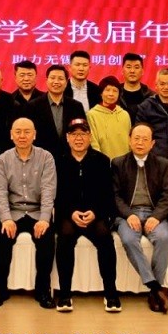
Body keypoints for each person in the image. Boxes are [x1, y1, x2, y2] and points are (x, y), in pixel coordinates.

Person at [0, 117, 56, 309]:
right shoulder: (3, 159)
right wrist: (6, 219)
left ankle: (42, 290)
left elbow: (49, 190)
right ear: (11, 135)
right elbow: (0, 192)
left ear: (34, 135)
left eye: (27, 132)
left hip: (37, 211)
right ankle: (0, 289)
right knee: (3, 240)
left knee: (46, 241)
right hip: (13, 211)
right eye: (18, 131)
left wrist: (45, 219)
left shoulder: (46, 157)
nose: (22, 136)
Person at [54, 118, 119, 312]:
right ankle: (65, 294)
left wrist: (95, 212)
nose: (78, 138)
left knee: (105, 237)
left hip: (94, 214)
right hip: (69, 214)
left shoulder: (102, 161)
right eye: (74, 134)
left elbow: (107, 194)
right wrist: (71, 212)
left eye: (83, 134)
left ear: (90, 137)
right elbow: (56, 195)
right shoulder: (59, 161)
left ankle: (111, 293)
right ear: (67, 137)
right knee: (65, 236)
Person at [112, 123, 168, 313]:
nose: (140, 142)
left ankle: (155, 293)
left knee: (163, 239)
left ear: (152, 143)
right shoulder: (118, 163)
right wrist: (128, 214)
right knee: (129, 239)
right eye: (136, 138)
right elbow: (115, 196)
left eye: (145, 139)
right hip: (128, 214)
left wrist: (157, 216)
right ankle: (156, 288)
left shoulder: (162, 164)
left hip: (154, 213)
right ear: (129, 141)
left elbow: (167, 196)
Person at [22, 64, 85, 161]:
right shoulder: (32, 106)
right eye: (52, 78)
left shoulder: (76, 106)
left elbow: (83, 133)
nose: (56, 82)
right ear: (47, 81)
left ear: (66, 82)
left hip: (70, 159)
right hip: (41, 159)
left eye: (60, 78)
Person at [87, 75, 131, 160]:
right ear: (101, 93)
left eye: (115, 91)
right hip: (103, 163)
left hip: (124, 163)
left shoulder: (125, 115)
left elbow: (130, 142)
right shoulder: (92, 115)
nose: (111, 94)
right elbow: (93, 143)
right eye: (107, 90)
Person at [119, 52, 153, 124]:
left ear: (142, 71)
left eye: (136, 67)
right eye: (128, 67)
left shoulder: (151, 97)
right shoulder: (115, 95)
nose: (132, 71)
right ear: (122, 70)